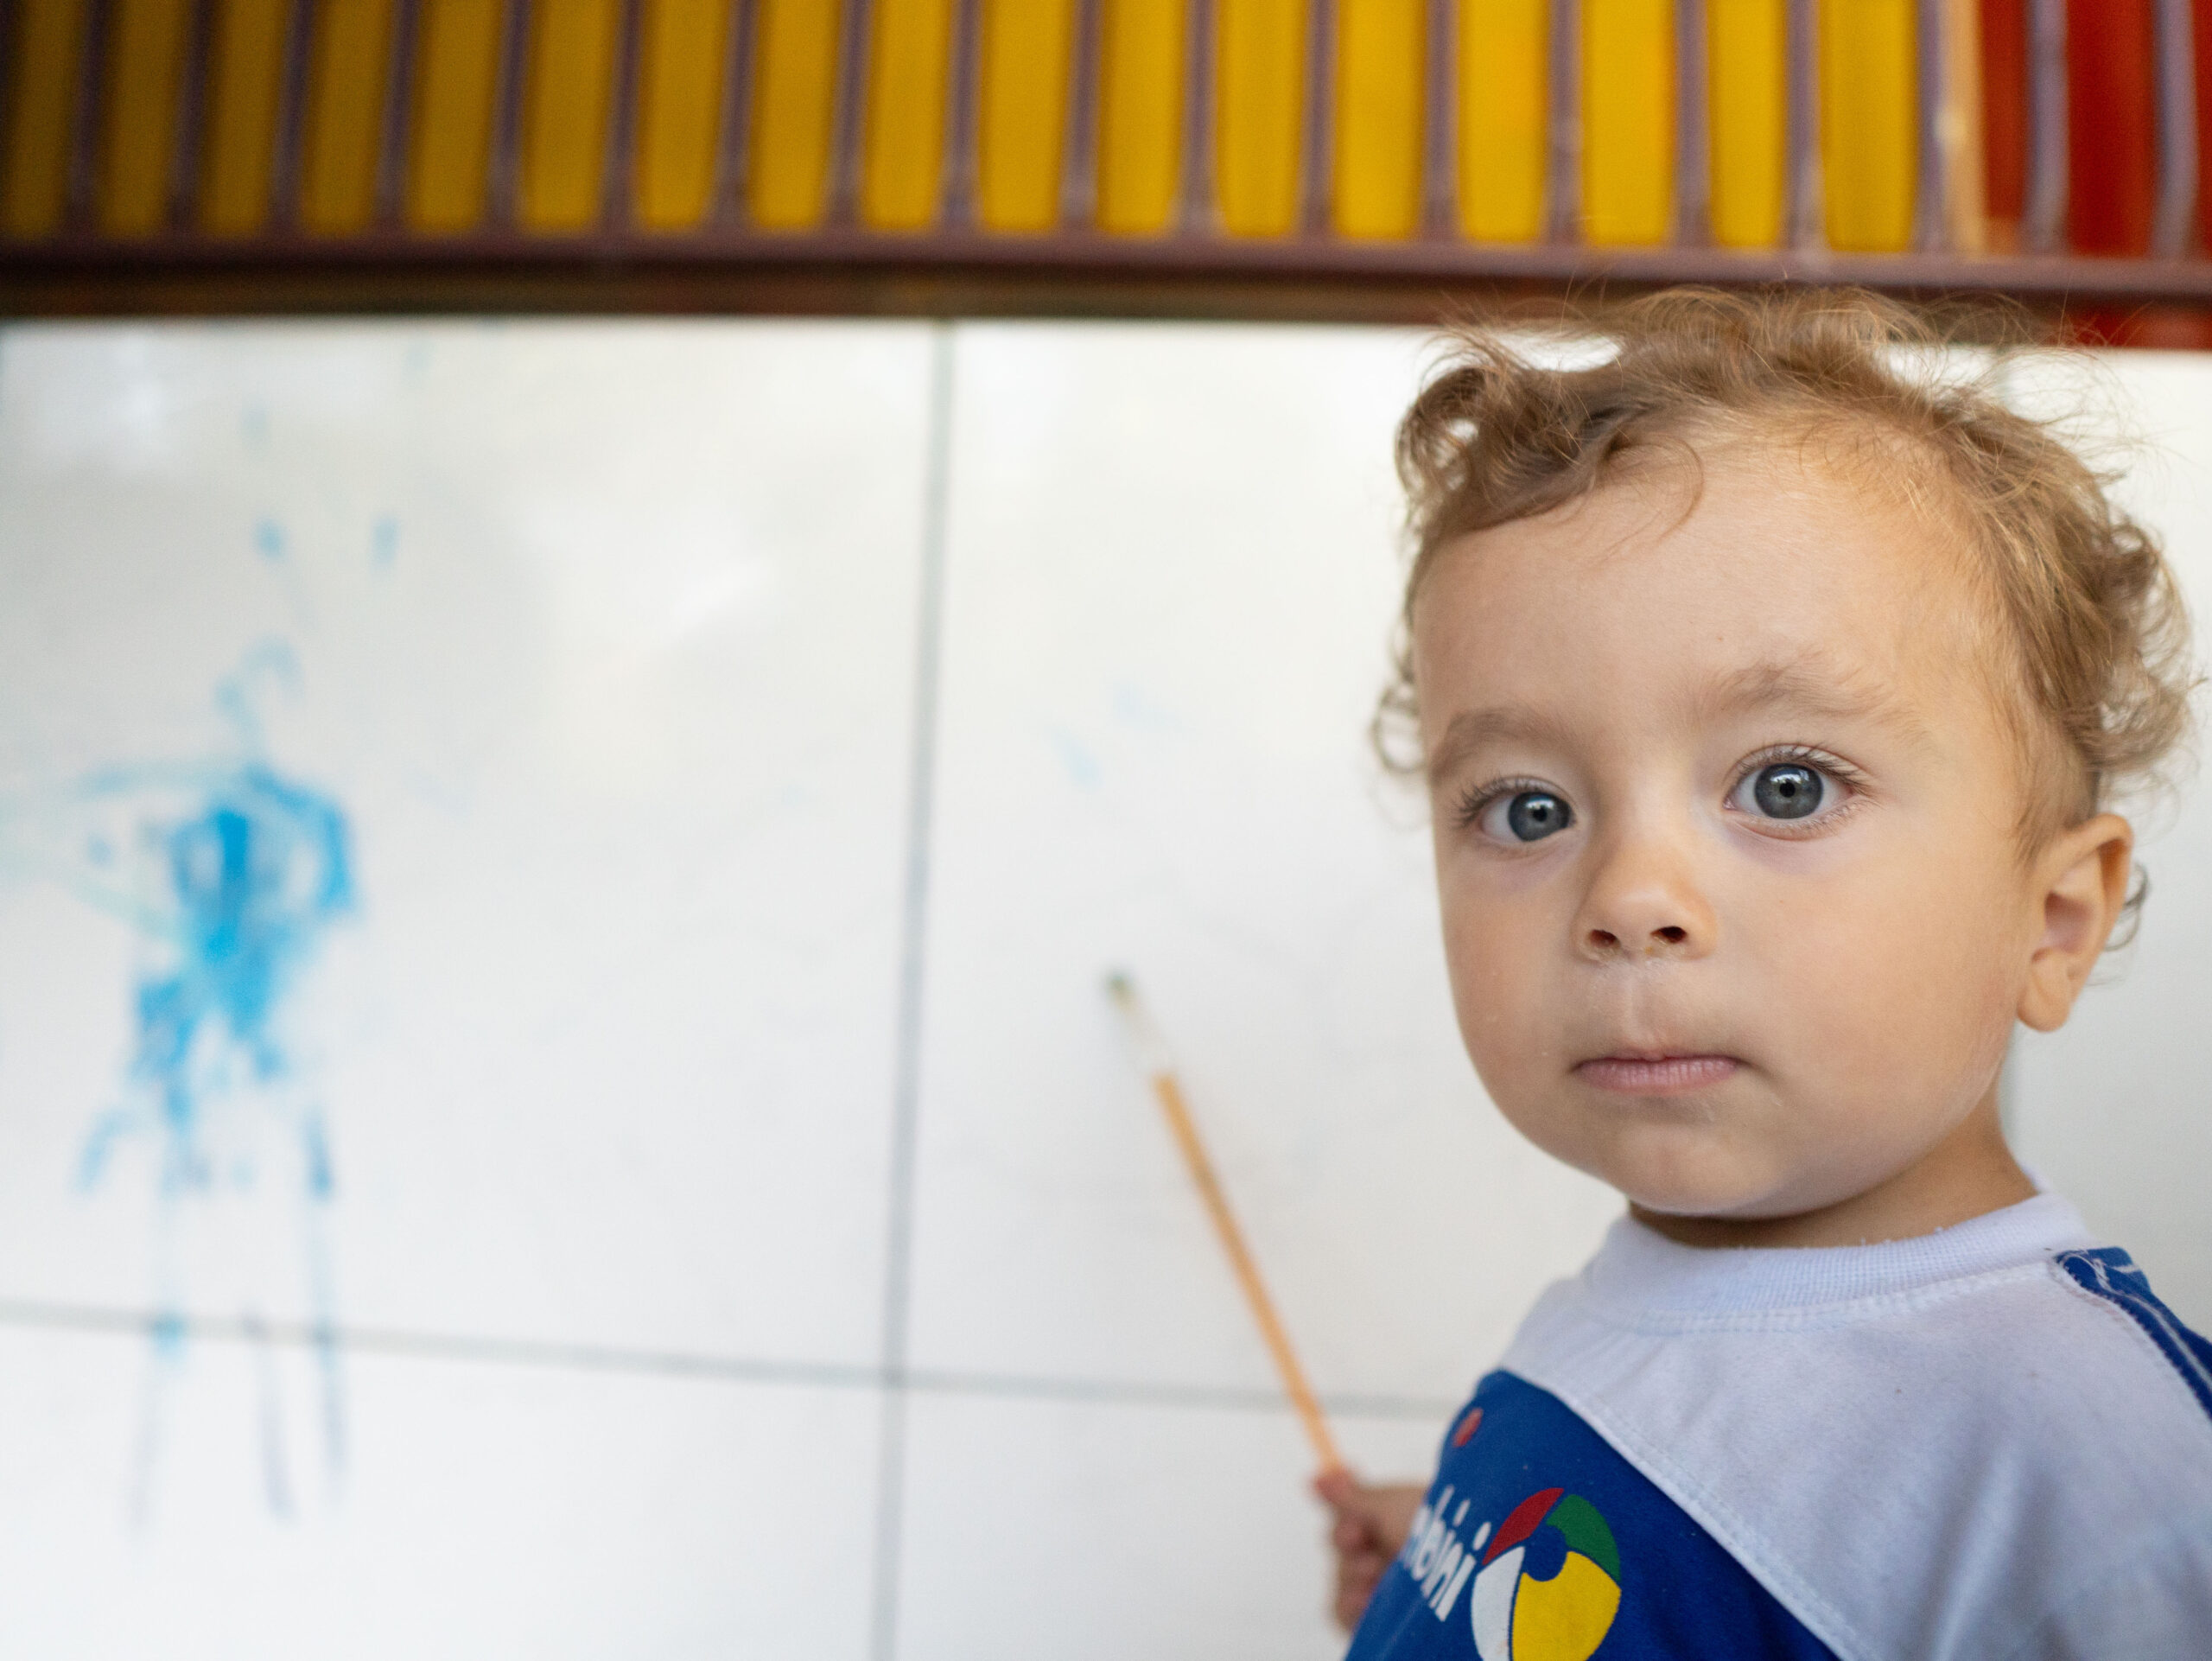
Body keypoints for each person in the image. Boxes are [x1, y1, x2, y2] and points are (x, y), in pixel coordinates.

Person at [1319, 289, 2212, 1659]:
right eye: (1529, 808)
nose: (1629, 899)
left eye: (1786, 786)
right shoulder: (1643, 1291)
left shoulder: (2095, 1470)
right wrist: (1456, 1561)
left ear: (2050, 920)